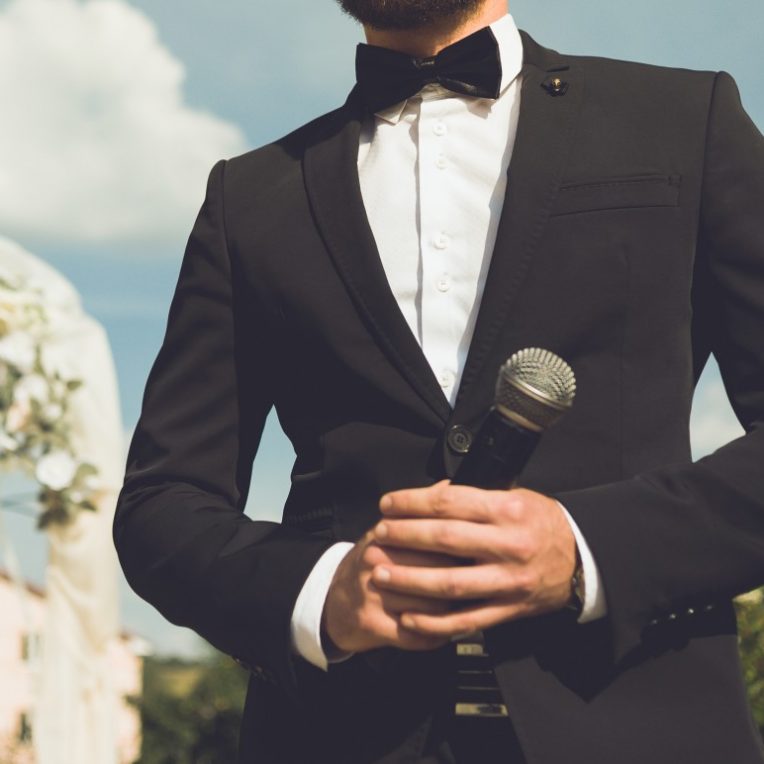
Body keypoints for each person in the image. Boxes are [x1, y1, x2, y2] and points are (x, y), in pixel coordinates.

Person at [113, 0, 764, 761]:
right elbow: (162, 503)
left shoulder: (687, 118)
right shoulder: (247, 196)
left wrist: (588, 546)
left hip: (643, 727)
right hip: (341, 735)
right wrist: (322, 593)